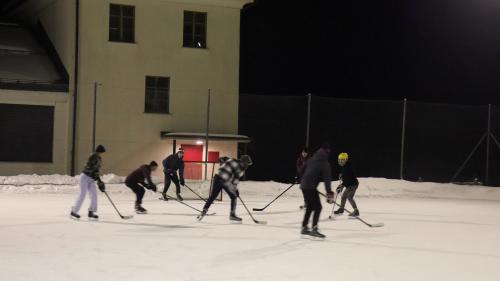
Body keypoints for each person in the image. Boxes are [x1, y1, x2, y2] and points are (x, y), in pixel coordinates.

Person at [198, 155, 253, 222]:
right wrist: (236, 190)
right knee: (233, 197)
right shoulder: (240, 169)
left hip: (217, 177)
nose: (247, 165)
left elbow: (222, 159)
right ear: (243, 162)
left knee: (213, 196)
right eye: (247, 163)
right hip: (224, 180)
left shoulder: (232, 160)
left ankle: (204, 210)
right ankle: (232, 215)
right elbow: (234, 181)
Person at [300, 142, 334, 238]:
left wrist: (304, 179)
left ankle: (304, 227)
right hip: (310, 187)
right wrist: (329, 193)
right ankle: (314, 229)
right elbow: (327, 179)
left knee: (310, 207)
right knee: (318, 207)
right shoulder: (325, 163)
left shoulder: (312, 159)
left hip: (304, 186)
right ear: (327, 151)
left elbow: (301, 170)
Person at [70, 144, 106, 220]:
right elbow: (88, 167)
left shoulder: (99, 158)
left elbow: (96, 171)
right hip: (85, 177)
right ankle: (74, 211)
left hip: (91, 179)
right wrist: (95, 175)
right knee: (82, 194)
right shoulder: (92, 156)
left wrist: (99, 181)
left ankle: (91, 212)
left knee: (94, 195)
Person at [334, 152, 360, 217]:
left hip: (353, 185)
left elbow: (348, 179)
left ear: (346, 159)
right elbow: (345, 178)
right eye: (340, 160)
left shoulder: (348, 168)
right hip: (349, 185)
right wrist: (342, 177)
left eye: (342, 160)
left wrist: (342, 186)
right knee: (343, 197)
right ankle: (341, 209)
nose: (341, 161)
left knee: (349, 197)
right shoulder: (345, 167)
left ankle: (356, 211)